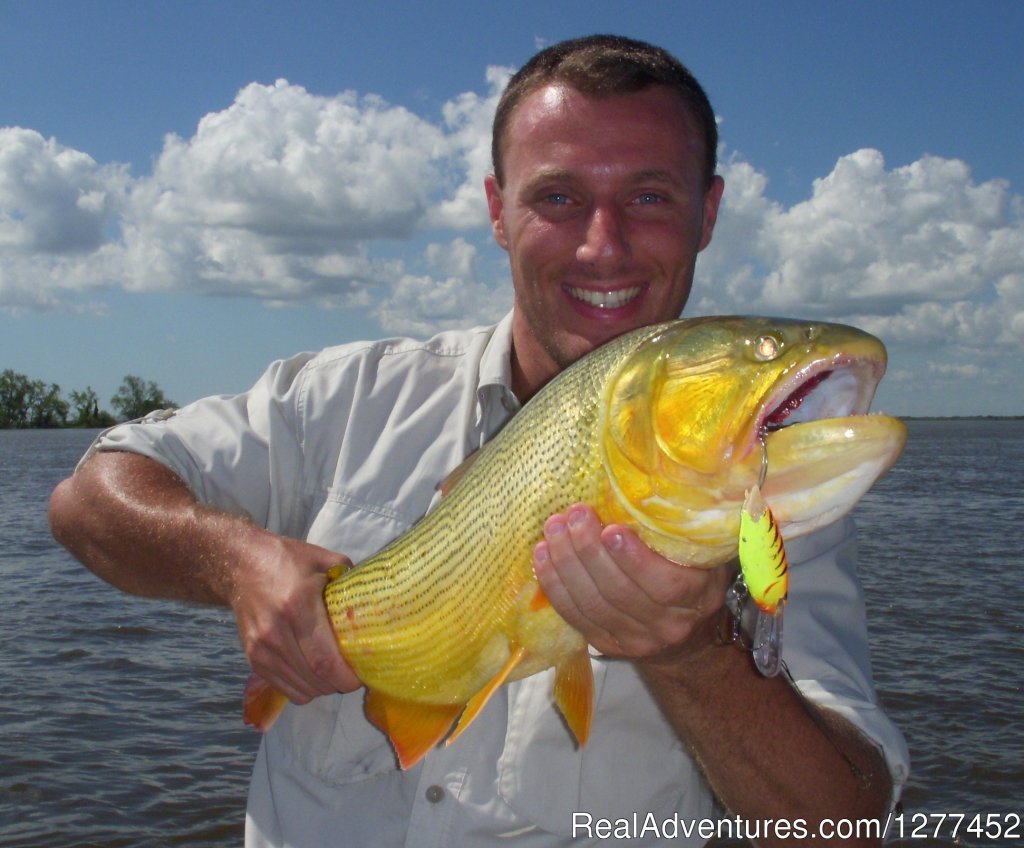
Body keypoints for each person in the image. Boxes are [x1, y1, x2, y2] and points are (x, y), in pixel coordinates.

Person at [50, 34, 908, 847]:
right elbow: (90, 498)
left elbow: (845, 822)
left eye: (649, 196)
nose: (601, 246)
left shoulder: (773, 516)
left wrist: (697, 659)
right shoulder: (348, 396)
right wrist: (236, 565)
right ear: (498, 210)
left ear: (708, 212)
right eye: (558, 197)